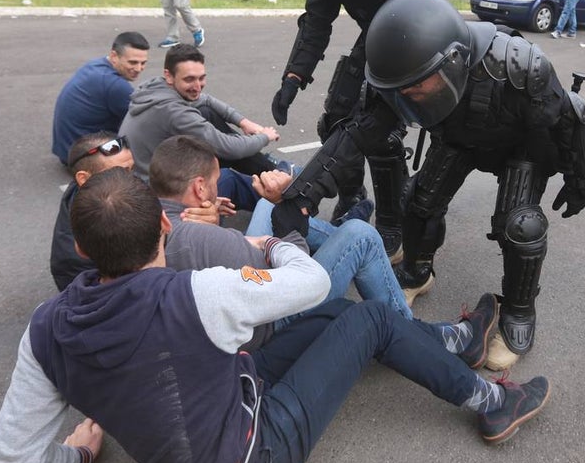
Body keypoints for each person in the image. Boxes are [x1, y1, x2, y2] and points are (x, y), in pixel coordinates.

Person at [0, 169, 551, 463]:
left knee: (338, 318)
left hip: (217, 415)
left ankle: (451, 346)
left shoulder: (45, 327)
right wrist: (273, 243)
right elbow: (309, 281)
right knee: (373, 316)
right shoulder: (199, 293)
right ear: (164, 223)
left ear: (83, 250)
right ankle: (491, 401)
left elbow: (8, 459)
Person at [271, 0, 585, 371]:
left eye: (416, 88)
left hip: (518, 146)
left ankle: (519, 313)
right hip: (457, 138)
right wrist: (301, 197)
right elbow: (355, 136)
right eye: (400, 92)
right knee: (418, 203)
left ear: (452, 63)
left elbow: (570, 119)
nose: (406, 98)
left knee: (521, 226)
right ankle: (417, 270)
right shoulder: (402, 79)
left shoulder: (521, 67)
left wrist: (581, 180)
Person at [271, 0, 432, 256]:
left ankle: (393, 222)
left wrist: (387, 95)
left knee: (379, 132)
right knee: (335, 120)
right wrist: (292, 77)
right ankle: (353, 197)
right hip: (376, 35)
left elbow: (410, 22)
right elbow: (316, 22)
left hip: (419, 43)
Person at [149, 135, 411, 331]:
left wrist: (214, 218)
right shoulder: (206, 240)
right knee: (361, 236)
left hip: (234, 290)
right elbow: (295, 278)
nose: (217, 188)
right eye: (214, 182)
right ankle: (406, 329)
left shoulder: (148, 219)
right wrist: (291, 212)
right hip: (272, 316)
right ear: (199, 188)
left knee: (267, 204)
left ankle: (343, 235)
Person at [50, 131, 229, 291]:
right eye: (119, 172)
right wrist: (203, 230)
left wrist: (197, 208)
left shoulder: (101, 196)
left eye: (131, 169)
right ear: (83, 178)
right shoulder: (82, 249)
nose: (131, 179)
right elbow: (150, 271)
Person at [120, 44, 278, 206]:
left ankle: (271, 171)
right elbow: (230, 148)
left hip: (152, 172)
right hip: (153, 194)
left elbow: (205, 99)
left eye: (201, 78)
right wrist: (264, 137)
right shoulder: (173, 112)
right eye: (189, 79)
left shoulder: (155, 88)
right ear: (169, 75)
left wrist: (243, 122)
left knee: (206, 112)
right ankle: (277, 194)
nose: (197, 86)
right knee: (227, 177)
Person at [50, 32, 149, 165]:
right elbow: (143, 122)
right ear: (114, 56)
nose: (139, 68)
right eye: (133, 62)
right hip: (84, 159)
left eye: (143, 63)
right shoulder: (115, 85)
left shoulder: (95, 65)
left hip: (67, 149)